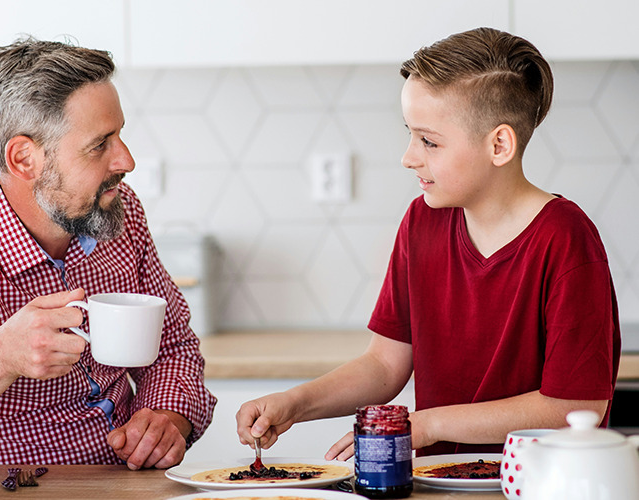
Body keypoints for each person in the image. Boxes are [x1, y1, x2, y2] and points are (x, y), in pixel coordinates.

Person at [236, 27, 621, 458]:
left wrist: (429, 423)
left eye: (429, 141)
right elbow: (384, 365)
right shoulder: (422, 222)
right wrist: (296, 404)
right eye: (410, 134)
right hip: (435, 484)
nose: (408, 157)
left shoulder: (566, 239)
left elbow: (574, 406)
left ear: (499, 144)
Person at [0, 37, 217, 468]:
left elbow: (173, 345)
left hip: (125, 485)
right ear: (24, 159)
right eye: (99, 144)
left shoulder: (119, 214)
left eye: (120, 136)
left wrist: (167, 417)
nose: (126, 160)